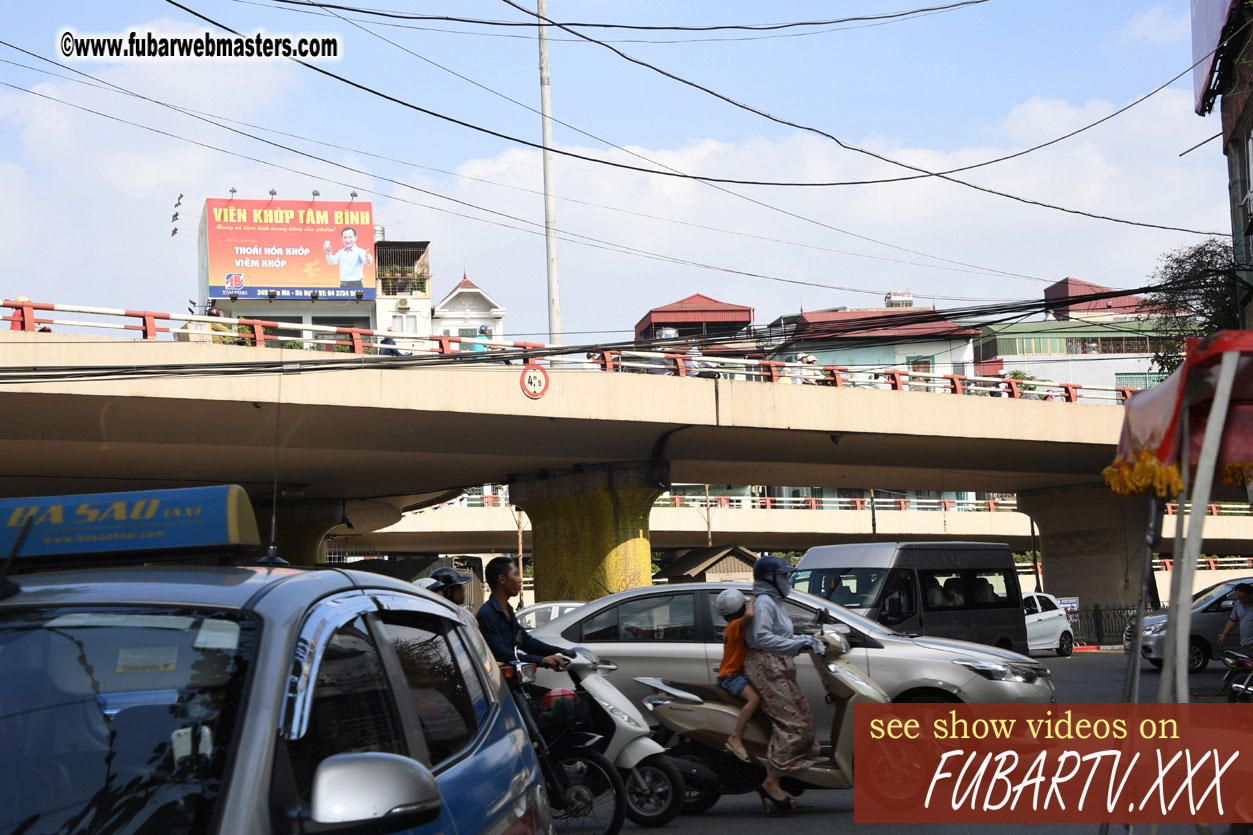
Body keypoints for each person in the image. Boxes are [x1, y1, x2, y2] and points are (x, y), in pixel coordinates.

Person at [743, 555, 824, 813]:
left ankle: (791, 771)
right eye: (784, 576)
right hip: (767, 667)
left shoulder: (774, 602)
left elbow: (781, 635)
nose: (787, 581)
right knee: (793, 725)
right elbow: (763, 638)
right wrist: (798, 644)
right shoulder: (766, 602)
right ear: (771, 579)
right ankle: (772, 780)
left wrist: (808, 638)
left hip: (779, 666)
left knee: (805, 719)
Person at [475, 556, 568, 670]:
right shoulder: (487, 614)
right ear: (502, 579)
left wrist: (561, 651)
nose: (520, 579)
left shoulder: (507, 610)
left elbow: (526, 642)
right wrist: (542, 660)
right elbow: (502, 654)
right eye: (515, 574)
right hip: (500, 684)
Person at [715, 588, 760, 763]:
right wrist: (755, 600)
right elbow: (749, 617)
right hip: (730, 676)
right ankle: (735, 737)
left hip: (734, 673)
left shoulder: (731, 627)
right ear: (739, 609)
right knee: (754, 700)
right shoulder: (735, 626)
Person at [323, 226, 373, 290]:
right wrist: (328, 254)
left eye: (350, 237)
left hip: (356, 285)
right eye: (345, 237)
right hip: (343, 285)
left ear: (355, 238)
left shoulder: (360, 251)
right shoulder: (340, 252)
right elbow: (332, 262)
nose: (347, 240)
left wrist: (368, 259)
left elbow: (366, 259)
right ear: (342, 239)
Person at [1218, 583, 1253, 651]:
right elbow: (1232, 621)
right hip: (1246, 643)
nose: (1241, 600)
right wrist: (1224, 635)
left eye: (1244, 598)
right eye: (1239, 598)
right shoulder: (1238, 604)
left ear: (1251, 595)